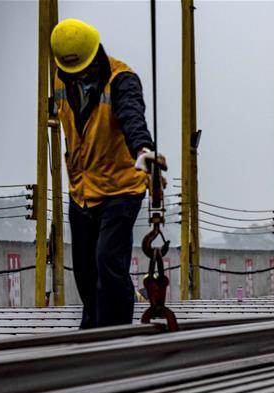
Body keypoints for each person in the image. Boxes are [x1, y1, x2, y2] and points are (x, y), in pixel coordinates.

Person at [51, 19, 165, 329]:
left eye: (83, 69)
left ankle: (115, 331)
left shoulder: (121, 79)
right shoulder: (61, 81)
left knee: (107, 261)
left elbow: (132, 116)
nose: (79, 75)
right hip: (82, 191)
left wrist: (143, 151)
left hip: (120, 188)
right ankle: (93, 327)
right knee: (86, 270)